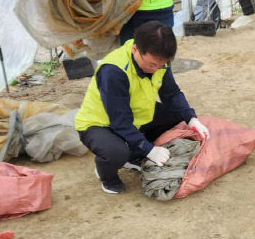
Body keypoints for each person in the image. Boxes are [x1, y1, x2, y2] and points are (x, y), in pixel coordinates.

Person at [74, 21, 210, 194]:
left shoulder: (159, 61)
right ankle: (106, 172)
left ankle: (133, 154)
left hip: (134, 114)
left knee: (177, 117)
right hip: (99, 124)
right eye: (153, 64)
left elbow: (171, 93)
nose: (157, 69)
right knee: (116, 152)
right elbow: (119, 121)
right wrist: (149, 149)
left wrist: (191, 118)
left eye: (162, 65)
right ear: (135, 49)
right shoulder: (114, 71)